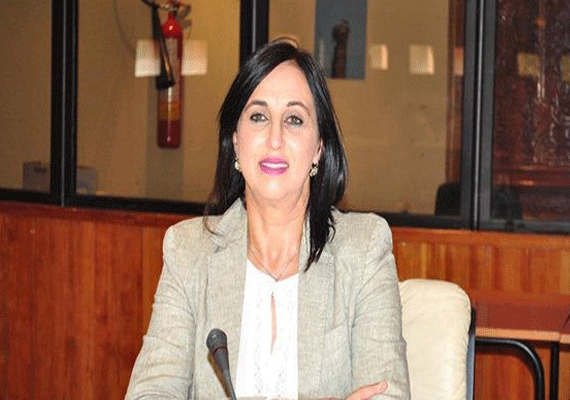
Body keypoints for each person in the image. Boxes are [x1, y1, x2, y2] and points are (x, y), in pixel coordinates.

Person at [125, 40, 410, 399]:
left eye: (294, 120)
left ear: (318, 147)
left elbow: (387, 393)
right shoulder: (189, 251)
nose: (275, 139)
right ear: (236, 140)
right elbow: (150, 392)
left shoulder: (364, 249)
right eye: (258, 117)